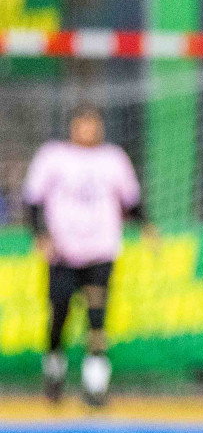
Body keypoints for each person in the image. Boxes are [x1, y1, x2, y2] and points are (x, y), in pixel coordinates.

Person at [23, 103, 152, 406]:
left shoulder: (113, 159)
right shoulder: (53, 156)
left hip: (100, 250)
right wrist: (40, 235)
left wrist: (146, 225)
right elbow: (33, 200)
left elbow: (131, 200)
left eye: (93, 124)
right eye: (82, 123)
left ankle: (95, 386)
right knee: (60, 316)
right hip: (63, 253)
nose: (88, 130)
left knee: (97, 317)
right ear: (72, 126)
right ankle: (54, 372)